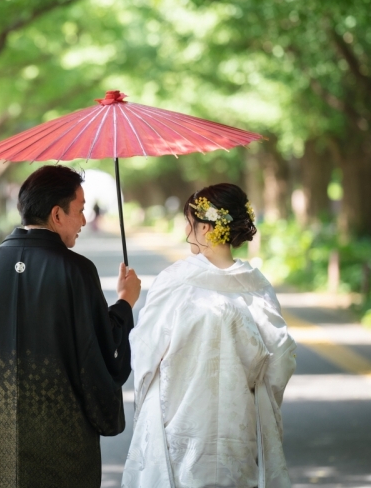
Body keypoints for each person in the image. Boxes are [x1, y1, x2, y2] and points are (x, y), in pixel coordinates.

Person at [0, 165, 142, 488]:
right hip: (64, 446)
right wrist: (125, 302)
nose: (84, 221)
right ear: (57, 214)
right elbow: (101, 351)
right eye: (80, 210)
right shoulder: (77, 271)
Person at [122, 183, 297, 488]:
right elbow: (281, 356)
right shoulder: (256, 286)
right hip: (238, 430)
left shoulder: (176, 281)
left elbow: (145, 353)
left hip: (180, 426)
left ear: (204, 228)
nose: (186, 230)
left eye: (188, 223)